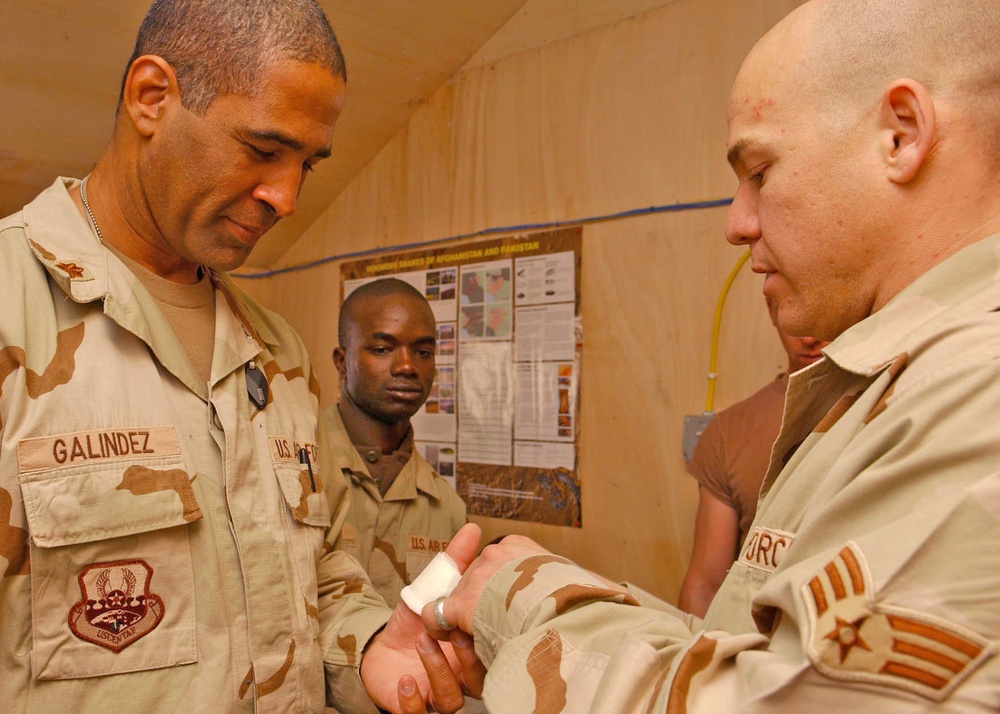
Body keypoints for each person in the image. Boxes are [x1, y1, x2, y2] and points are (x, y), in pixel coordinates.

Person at [416, 0, 1000, 710]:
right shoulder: (898, 382)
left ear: (901, 136)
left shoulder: (974, 388)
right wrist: (550, 620)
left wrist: (521, 594)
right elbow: (765, 657)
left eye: (759, 170)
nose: (737, 222)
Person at [0, 2, 478, 712]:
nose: (286, 199)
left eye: (307, 165)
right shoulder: (15, 307)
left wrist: (373, 644)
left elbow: (311, 574)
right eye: (261, 149)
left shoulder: (275, 352)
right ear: (151, 97)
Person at [679, 299, 828, 616]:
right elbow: (704, 587)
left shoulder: (889, 407)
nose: (809, 336)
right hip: (754, 645)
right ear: (773, 312)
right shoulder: (729, 431)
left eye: (823, 313)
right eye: (794, 312)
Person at [326, 278, 467, 609]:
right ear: (341, 362)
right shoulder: (301, 470)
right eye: (382, 349)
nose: (407, 367)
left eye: (422, 352)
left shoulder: (446, 509)